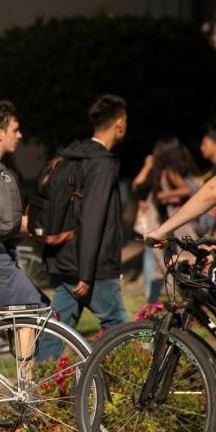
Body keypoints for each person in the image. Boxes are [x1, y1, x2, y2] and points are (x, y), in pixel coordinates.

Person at [43, 95, 129, 333]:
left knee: (58, 330)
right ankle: (121, 371)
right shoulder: (101, 164)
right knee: (118, 326)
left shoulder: (74, 156)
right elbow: (92, 218)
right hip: (93, 267)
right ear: (119, 122)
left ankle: (42, 370)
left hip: (63, 258)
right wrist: (86, 273)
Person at [0, 101, 44, 311]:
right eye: (15, 129)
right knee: (33, 309)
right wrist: (39, 225)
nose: (20, 135)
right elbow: (2, 220)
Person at [133, 138, 204, 301]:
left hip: (177, 223)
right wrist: (147, 166)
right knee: (161, 264)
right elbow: (137, 185)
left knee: (181, 260)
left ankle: (191, 300)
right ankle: (152, 304)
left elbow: (185, 189)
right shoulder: (158, 172)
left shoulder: (170, 171)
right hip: (161, 221)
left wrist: (164, 195)